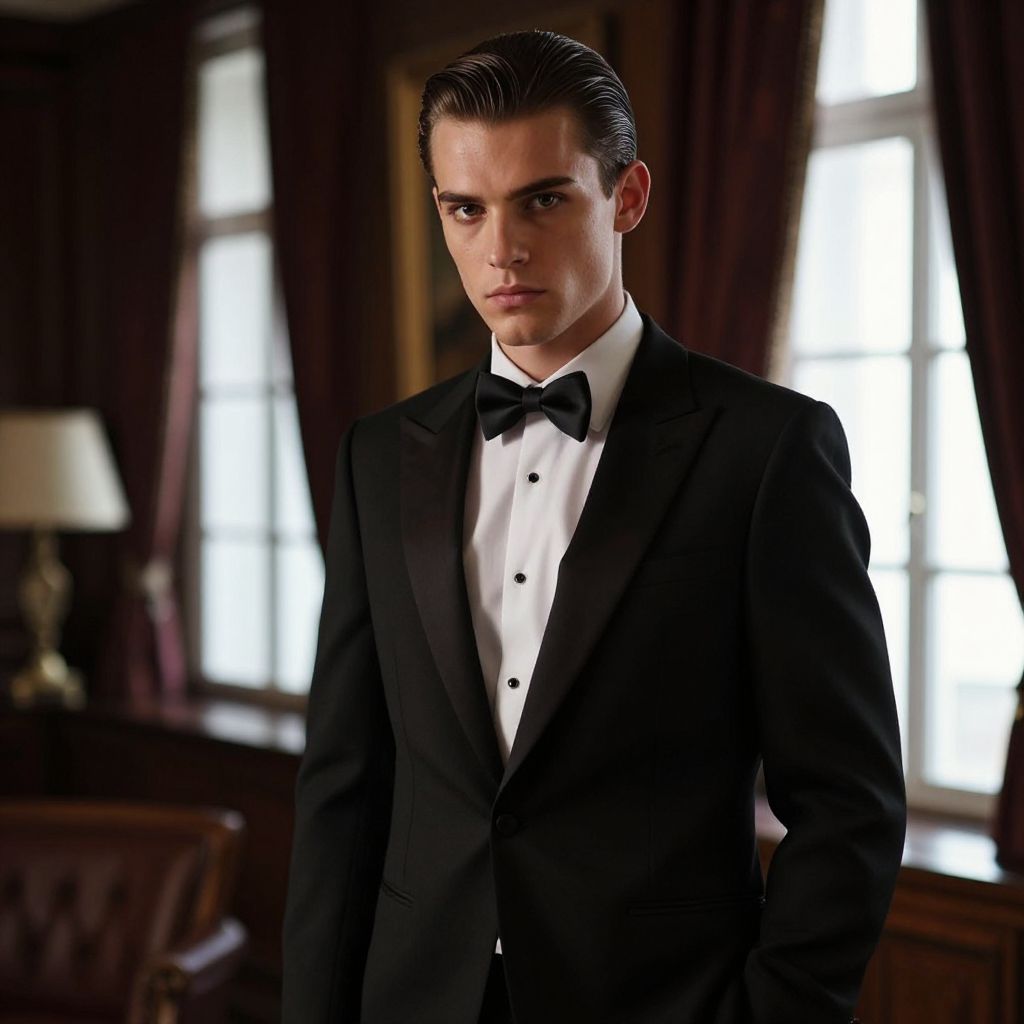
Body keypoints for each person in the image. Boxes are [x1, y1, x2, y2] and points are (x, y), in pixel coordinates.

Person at [281, 28, 906, 1024]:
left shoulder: (765, 451)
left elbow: (850, 803)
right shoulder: (378, 456)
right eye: (464, 208)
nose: (500, 250)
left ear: (626, 196)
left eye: (542, 199)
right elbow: (343, 786)